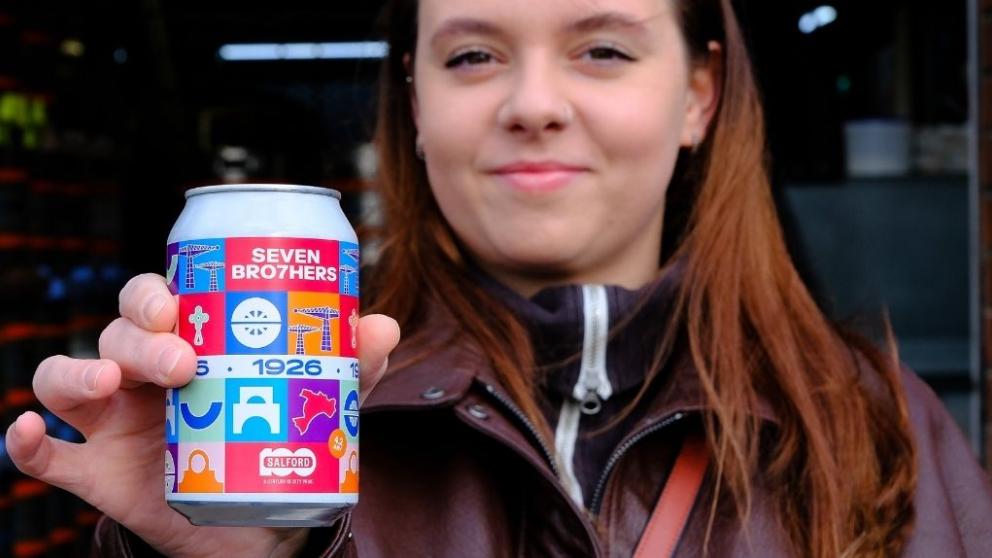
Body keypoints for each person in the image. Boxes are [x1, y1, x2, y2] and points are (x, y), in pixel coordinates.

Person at [6, 0, 992, 556]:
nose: (532, 104)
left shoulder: (884, 428)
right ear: (415, 103)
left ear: (698, 95)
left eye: (601, 49)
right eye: (474, 54)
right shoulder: (320, 430)